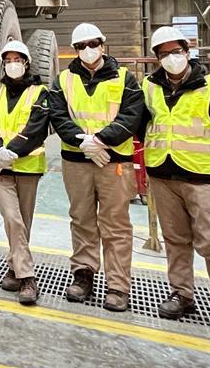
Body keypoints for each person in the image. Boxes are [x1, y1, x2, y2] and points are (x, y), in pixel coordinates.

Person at [138, 26, 210, 342]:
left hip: (202, 177)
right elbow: (140, 124)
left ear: (187, 52)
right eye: (164, 54)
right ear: (157, 58)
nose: (171, 58)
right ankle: (182, 295)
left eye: (176, 51)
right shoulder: (150, 87)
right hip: (163, 173)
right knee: (175, 238)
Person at [48, 22, 144, 312]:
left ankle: (117, 285)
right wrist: (84, 145)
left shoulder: (125, 79)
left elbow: (131, 117)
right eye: (81, 46)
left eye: (92, 44)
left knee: (115, 224)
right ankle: (84, 274)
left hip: (113, 163)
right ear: (75, 50)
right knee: (81, 219)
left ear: (103, 45)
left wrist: (101, 141)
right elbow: (58, 116)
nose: (87, 50)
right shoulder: (63, 80)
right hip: (77, 161)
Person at [0, 40, 51, 305]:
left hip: (28, 165)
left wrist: (14, 151)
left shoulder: (41, 92)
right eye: (7, 60)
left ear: (26, 63)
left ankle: (13, 267)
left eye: (17, 60)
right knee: (12, 218)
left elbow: (38, 126)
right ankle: (28, 277)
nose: (12, 65)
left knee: (23, 221)